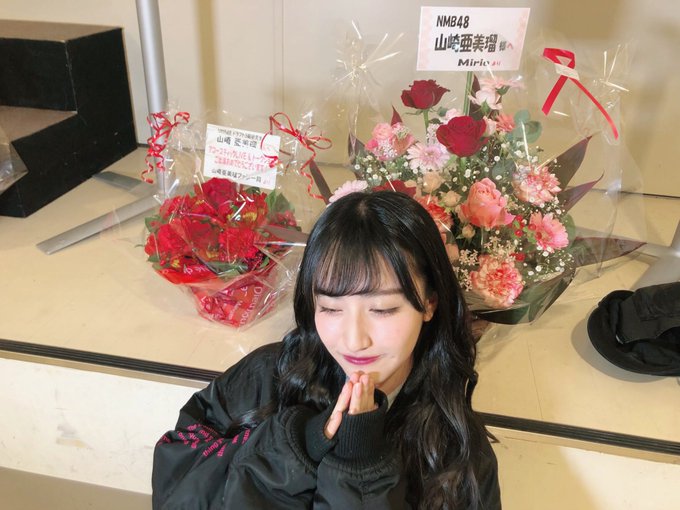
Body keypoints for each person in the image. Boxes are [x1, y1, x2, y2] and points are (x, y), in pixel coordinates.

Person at [152, 190, 502, 509]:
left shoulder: (456, 450)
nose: (354, 340)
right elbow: (178, 486)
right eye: (332, 309)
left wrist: (360, 469)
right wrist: (296, 446)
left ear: (429, 303)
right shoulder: (269, 376)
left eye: (382, 309)